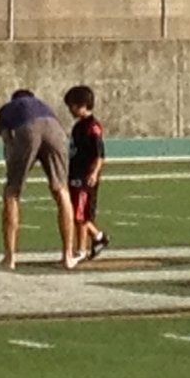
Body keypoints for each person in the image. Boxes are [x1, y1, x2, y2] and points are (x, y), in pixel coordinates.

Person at [0, 86, 77, 270]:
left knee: (12, 193)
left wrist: (12, 172)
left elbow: (8, 142)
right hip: (55, 130)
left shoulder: (7, 109)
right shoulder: (43, 105)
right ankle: (68, 256)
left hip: (27, 128)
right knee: (61, 189)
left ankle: (10, 257)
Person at [63, 83, 110, 260]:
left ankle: (82, 249)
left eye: (72, 106)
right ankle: (98, 237)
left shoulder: (92, 127)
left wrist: (94, 173)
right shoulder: (78, 127)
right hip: (75, 173)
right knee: (77, 212)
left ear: (82, 105)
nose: (71, 110)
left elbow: (99, 154)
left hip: (85, 176)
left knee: (79, 214)